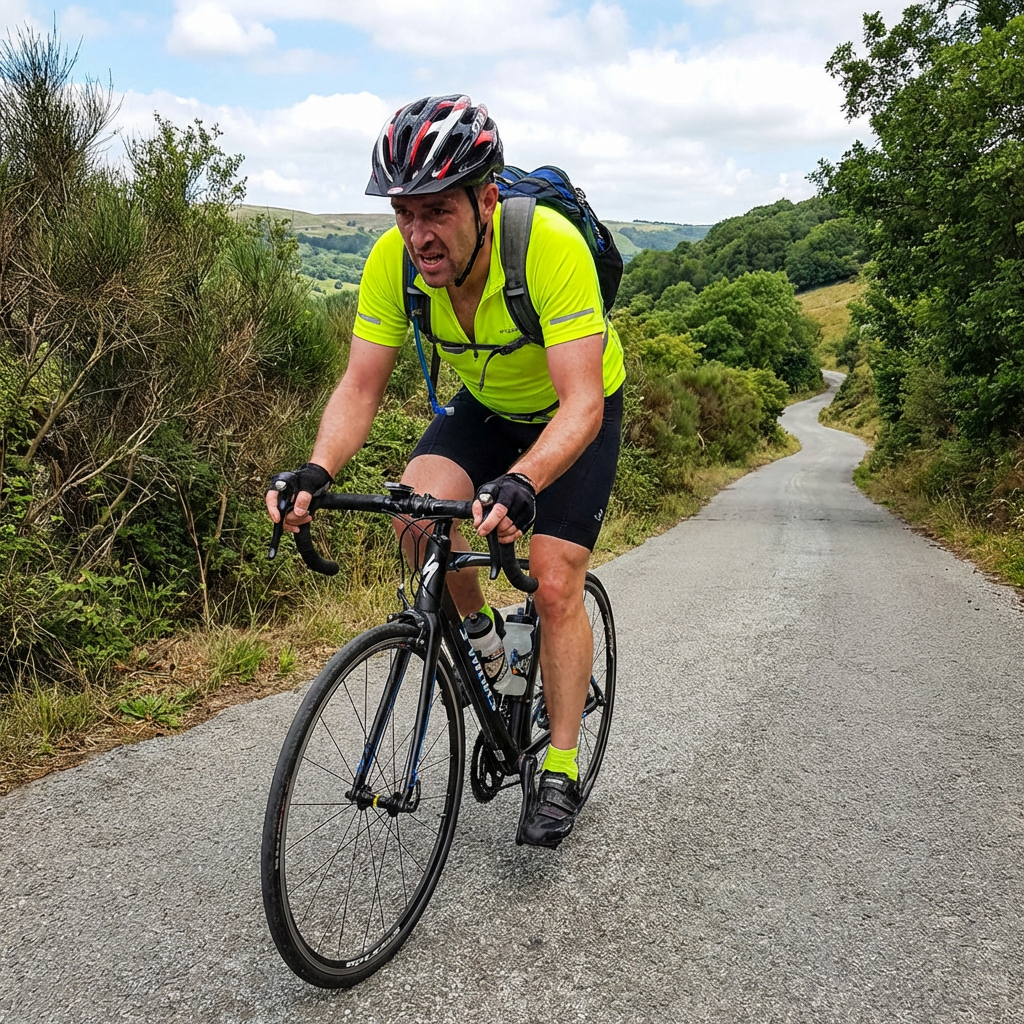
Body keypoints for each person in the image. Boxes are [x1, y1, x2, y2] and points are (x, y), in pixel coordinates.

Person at [266, 94, 624, 848]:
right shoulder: (395, 264)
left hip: (575, 410)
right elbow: (360, 386)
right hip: (491, 405)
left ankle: (558, 765)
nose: (418, 233)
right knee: (415, 513)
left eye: (437, 211)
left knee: (555, 579)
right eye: (404, 211)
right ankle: (489, 647)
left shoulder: (548, 249)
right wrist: (316, 467)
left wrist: (525, 483)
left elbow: (582, 403)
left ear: (485, 199)